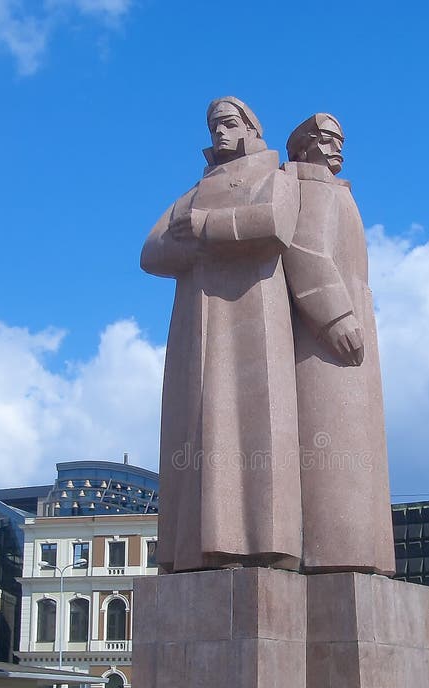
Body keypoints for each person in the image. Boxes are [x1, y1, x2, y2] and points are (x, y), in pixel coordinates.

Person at [141, 98, 303, 573]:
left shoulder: (275, 174)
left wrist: (207, 228)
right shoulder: (195, 189)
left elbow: (275, 223)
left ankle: (261, 542)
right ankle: (197, 548)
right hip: (197, 317)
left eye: (228, 123)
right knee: (198, 428)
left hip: (254, 310)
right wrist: (200, 241)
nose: (219, 133)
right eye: (213, 126)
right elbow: (151, 251)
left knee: (256, 421)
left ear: (251, 127)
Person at [282, 114, 395, 573]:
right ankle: (336, 555)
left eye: (340, 140)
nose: (336, 148)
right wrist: (336, 316)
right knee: (334, 447)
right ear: (305, 146)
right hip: (325, 341)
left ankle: (361, 555)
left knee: (359, 449)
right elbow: (304, 250)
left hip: (353, 336)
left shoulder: (337, 191)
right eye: (326, 139)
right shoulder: (309, 187)